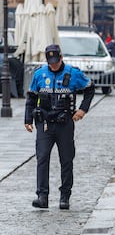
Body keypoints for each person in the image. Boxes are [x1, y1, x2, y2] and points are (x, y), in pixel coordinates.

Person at [24, 44, 95, 210]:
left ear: (61, 58)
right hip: (45, 124)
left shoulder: (73, 73)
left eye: (56, 61)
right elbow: (31, 98)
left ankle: (65, 196)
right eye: (50, 62)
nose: (53, 64)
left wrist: (83, 110)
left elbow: (89, 89)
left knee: (66, 160)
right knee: (42, 158)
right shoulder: (39, 74)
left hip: (65, 124)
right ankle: (42, 196)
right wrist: (28, 119)